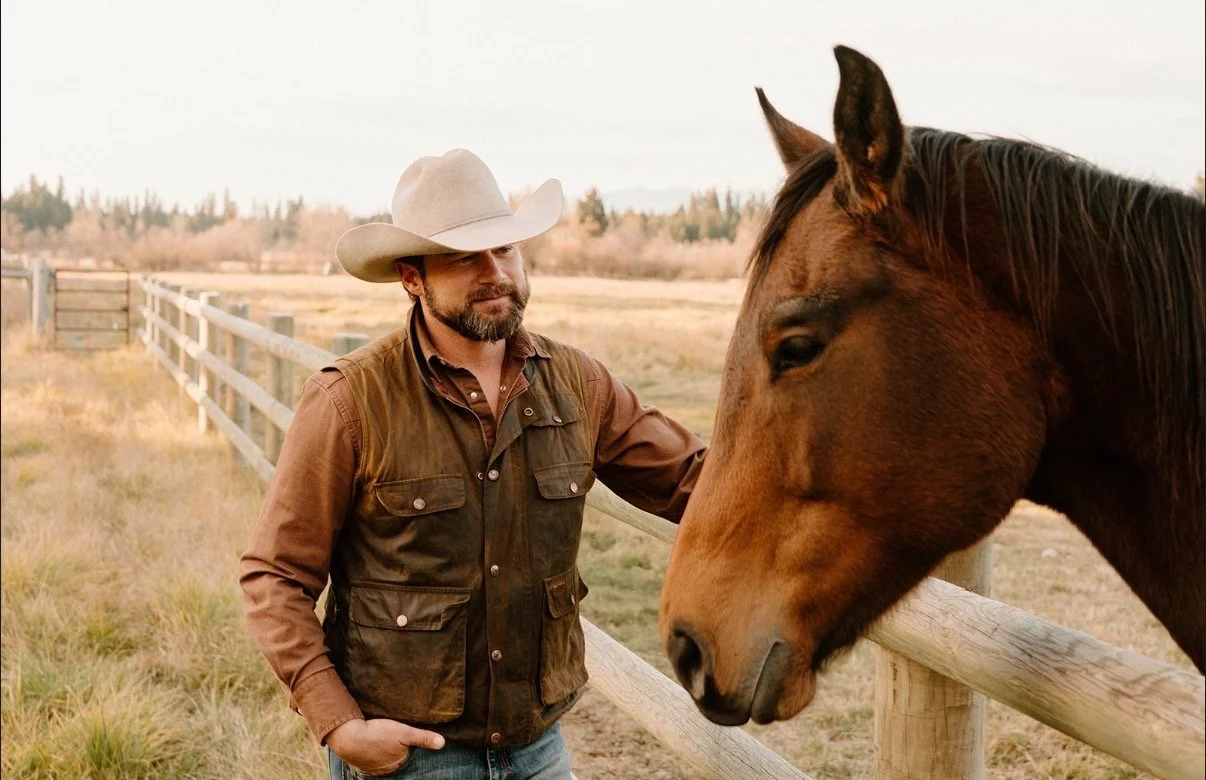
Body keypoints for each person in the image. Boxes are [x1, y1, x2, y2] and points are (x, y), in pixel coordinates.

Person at [239, 148, 706, 779]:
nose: (496, 272)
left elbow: (694, 480)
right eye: (465, 256)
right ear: (412, 277)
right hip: (409, 757)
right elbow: (275, 576)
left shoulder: (579, 384)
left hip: (539, 747)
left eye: (505, 249)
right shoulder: (349, 401)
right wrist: (340, 723)